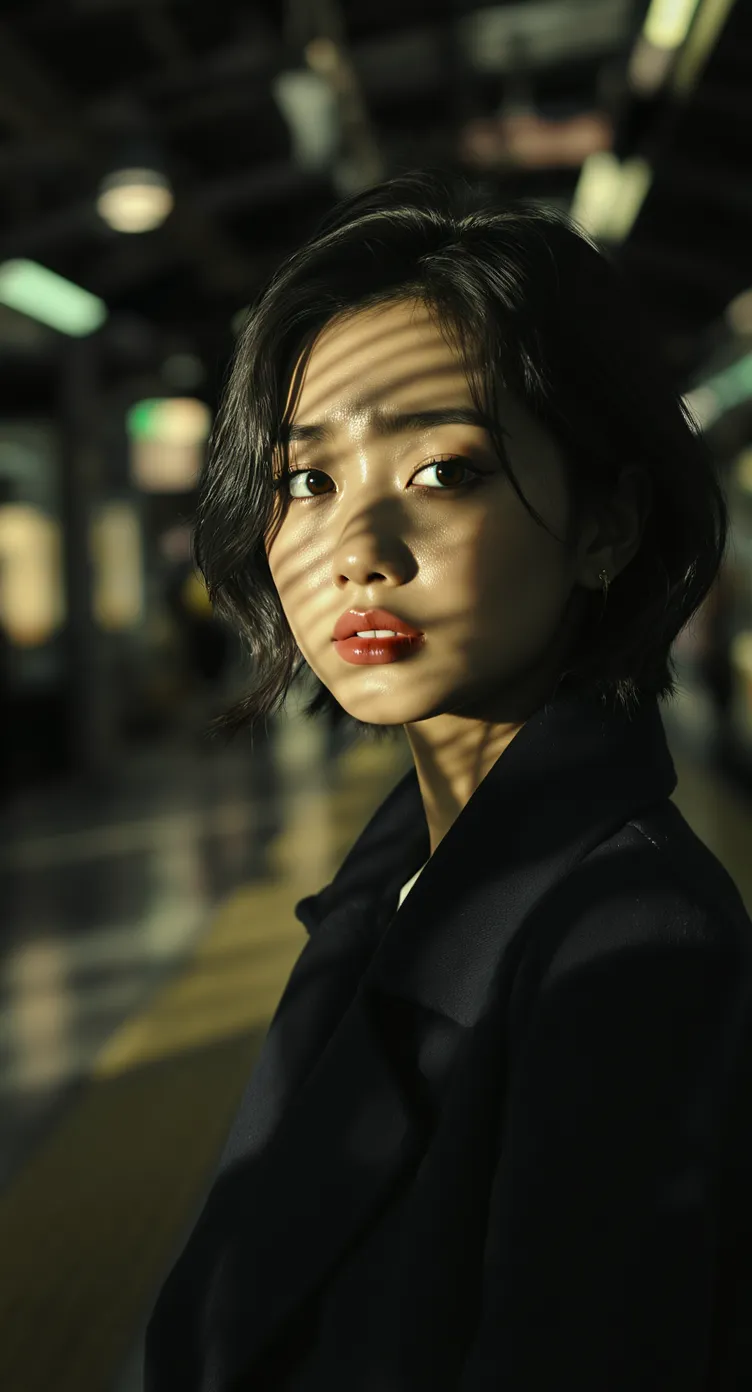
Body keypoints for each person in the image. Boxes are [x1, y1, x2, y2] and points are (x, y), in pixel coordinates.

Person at [143, 169, 752, 1391]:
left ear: (604, 528)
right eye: (306, 481)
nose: (354, 554)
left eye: (442, 472)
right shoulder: (401, 877)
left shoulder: (634, 949)